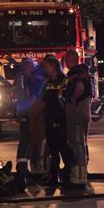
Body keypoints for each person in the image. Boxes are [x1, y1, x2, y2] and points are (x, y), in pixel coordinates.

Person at [40, 55, 74, 186]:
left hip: (61, 119)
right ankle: (53, 176)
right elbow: (42, 97)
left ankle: (67, 174)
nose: (44, 69)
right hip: (49, 118)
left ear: (53, 66)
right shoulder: (48, 81)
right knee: (53, 150)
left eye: (46, 66)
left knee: (63, 148)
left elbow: (66, 99)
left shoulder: (64, 80)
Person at [65, 64, 92, 186]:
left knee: (77, 145)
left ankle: (79, 177)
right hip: (80, 116)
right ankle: (79, 175)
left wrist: (74, 99)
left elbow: (79, 89)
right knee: (80, 144)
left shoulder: (79, 81)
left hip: (76, 116)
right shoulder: (86, 81)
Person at [13, 58, 37, 187]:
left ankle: (23, 165)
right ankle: (22, 167)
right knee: (26, 139)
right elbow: (28, 95)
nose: (31, 69)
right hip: (26, 112)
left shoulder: (19, 78)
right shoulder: (24, 78)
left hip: (23, 111)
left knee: (27, 138)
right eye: (30, 66)